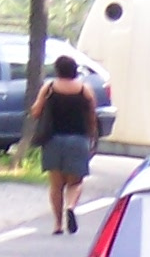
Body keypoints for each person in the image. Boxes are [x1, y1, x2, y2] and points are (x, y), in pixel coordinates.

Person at [31, 53, 99, 234]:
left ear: (57, 70)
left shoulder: (49, 88)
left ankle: (58, 224)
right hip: (78, 139)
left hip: (53, 139)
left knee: (56, 185)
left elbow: (36, 111)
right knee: (75, 182)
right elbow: (92, 116)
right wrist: (92, 137)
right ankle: (70, 206)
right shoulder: (85, 90)